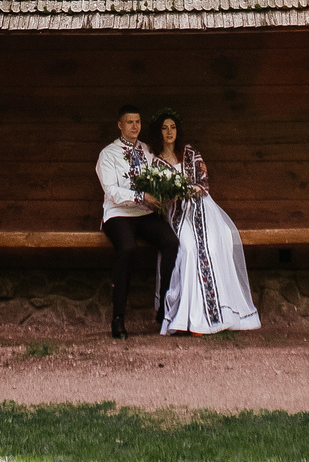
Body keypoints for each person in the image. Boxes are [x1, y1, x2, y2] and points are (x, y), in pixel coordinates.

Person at [150, 110, 260, 335]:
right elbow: (159, 196)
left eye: (173, 127)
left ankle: (219, 314)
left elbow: (204, 183)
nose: (169, 132)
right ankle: (189, 317)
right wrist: (172, 193)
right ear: (159, 132)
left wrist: (188, 190)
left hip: (202, 209)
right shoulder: (155, 161)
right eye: (164, 127)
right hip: (178, 214)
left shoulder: (191, 153)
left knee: (216, 244)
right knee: (189, 249)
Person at [95, 107, 176, 339]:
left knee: (171, 242)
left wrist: (162, 193)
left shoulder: (147, 151)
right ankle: (118, 318)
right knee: (128, 249)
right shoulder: (108, 154)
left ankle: (164, 310)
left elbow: (157, 178)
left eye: (138, 122)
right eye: (129, 122)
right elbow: (111, 191)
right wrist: (142, 197)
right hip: (118, 214)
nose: (134, 126)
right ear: (119, 125)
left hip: (144, 213)